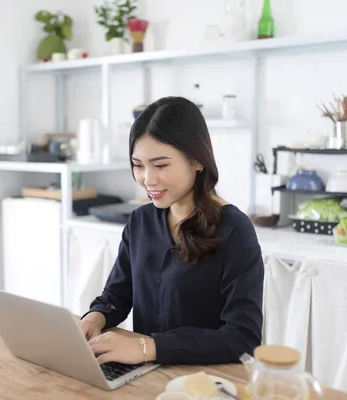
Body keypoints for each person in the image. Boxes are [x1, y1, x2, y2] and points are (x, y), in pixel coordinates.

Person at [79, 96, 264, 366]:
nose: (148, 179)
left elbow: (243, 338)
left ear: (197, 161)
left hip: (204, 384)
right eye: (138, 165)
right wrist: (95, 317)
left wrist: (148, 348)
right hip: (145, 376)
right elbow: (118, 295)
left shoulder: (235, 230)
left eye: (161, 165)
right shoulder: (140, 221)